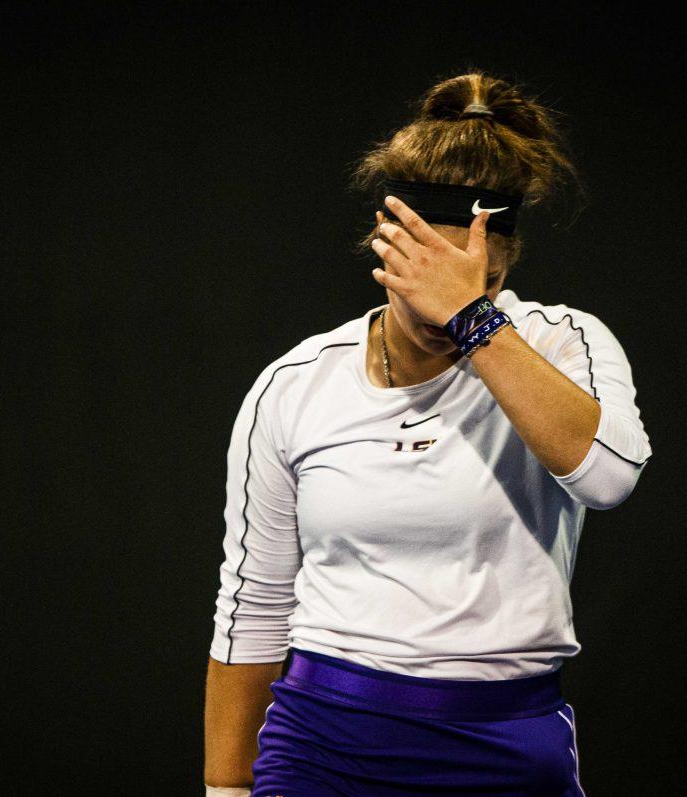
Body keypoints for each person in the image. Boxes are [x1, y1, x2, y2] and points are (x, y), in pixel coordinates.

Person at [203, 70, 652, 796]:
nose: (441, 314)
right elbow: (251, 608)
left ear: (501, 268)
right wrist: (224, 792)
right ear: (386, 251)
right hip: (322, 745)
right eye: (425, 287)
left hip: (506, 746)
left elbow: (608, 475)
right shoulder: (294, 385)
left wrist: (477, 322)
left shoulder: (565, 343)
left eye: (475, 285)